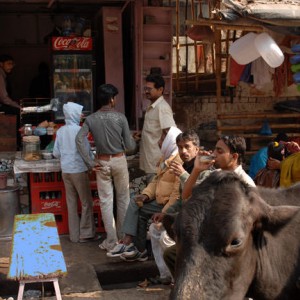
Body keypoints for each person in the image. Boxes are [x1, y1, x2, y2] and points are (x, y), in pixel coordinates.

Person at [163, 135, 256, 278]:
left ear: (234, 156)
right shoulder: (215, 175)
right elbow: (187, 195)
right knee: (171, 255)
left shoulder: (245, 184)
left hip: (229, 246)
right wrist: (196, 170)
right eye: (215, 150)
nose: (214, 154)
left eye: (219, 151)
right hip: (208, 241)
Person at [106, 126, 182, 261]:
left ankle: (131, 243)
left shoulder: (177, 161)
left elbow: (176, 195)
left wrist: (165, 212)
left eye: (162, 139)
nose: (159, 142)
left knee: (139, 210)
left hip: (167, 205)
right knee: (136, 201)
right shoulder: (165, 158)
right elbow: (155, 182)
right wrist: (146, 195)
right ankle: (137, 247)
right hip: (159, 199)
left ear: (170, 141)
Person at [76, 83, 136, 251]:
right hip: (119, 161)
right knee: (124, 199)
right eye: (115, 97)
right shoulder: (120, 118)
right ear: (111, 99)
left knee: (106, 202)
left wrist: (89, 162)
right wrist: (127, 142)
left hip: (101, 163)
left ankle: (111, 240)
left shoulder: (91, 119)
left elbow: (79, 139)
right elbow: (131, 147)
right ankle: (124, 239)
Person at [148, 129, 200, 285]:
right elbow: (180, 198)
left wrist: (184, 174)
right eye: (180, 147)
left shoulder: (202, 168)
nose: (183, 151)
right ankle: (166, 275)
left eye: (187, 147)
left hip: (196, 220)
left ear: (196, 148)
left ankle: (181, 279)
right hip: (182, 214)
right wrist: (165, 213)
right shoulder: (183, 165)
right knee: (154, 228)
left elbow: (196, 195)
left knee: (166, 238)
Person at [53, 102, 96, 243]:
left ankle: (74, 236)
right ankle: (85, 234)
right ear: (75, 115)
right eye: (79, 114)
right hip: (79, 170)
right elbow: (87, 152)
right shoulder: (80, 130)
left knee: (71, 203)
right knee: (86, 203)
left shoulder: (60, 131)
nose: (81, 116)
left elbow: (56, 153)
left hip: (66, 171)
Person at [138, 74, 176, 183]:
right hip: (150, 159)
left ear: (160, 90)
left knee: (155, 193)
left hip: (157, 161)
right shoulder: (153, 106)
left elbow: (171, 132)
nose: (146, 91)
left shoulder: (162, 108)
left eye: (149, 89)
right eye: (145, 88)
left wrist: (166, 156)